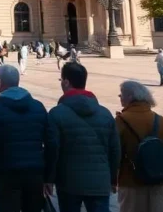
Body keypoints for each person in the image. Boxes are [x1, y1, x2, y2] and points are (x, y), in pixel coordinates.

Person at [0, 64, 57, 212]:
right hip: (35, 171)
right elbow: (51, 143)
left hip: (7, 171)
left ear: (0, 82)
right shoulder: (38, 106)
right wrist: (49, 176)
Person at [47, 62, 120, 212]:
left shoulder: (56, 113)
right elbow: (115, 150)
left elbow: (52, 149)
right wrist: (113, 179)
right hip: (100, 182)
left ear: (66, 82)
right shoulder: (105, 113)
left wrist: (49, 178)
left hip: (68, 182)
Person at [114, 81, 163, 212]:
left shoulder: (120, 121)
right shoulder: (161, 120)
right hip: (161, 181)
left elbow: (115, 153)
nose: (120, 97)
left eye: (121, 94)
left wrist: (113, 179)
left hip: (131, 182)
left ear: (130, 97)